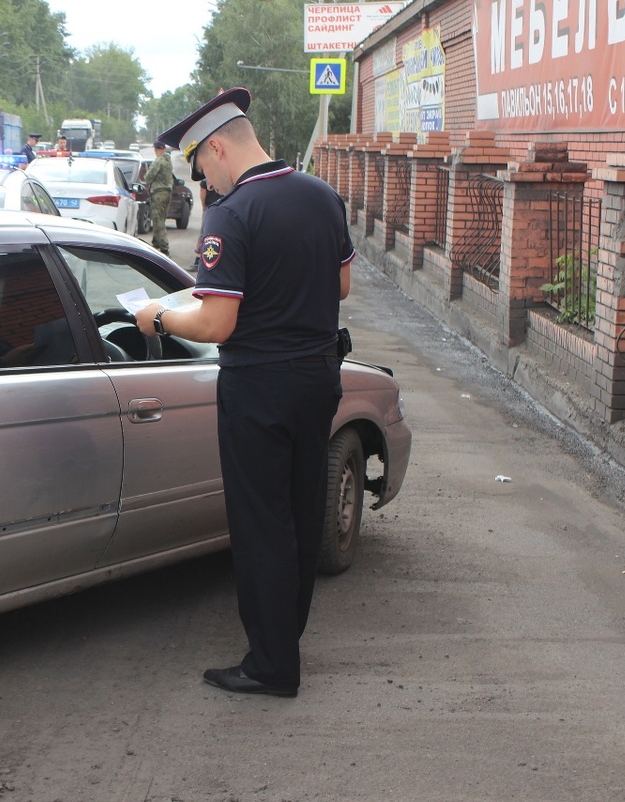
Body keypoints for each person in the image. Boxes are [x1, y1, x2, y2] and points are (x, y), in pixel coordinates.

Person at [135, 87, 354, 698]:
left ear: (220, 148)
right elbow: (341, 284)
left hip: (259, 388)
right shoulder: (320, 195)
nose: (203, 176)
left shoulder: (233, 214)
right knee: (301, 509)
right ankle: (288, 639)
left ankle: (271, 664)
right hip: (317, 381)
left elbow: (215, 324)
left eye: (201, 163)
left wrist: (157, 316)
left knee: (261, 522)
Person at [143, 140, 174, 255]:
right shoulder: (168, 161)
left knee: (157, 220)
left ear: (157, 149)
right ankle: (156, 243)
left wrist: (147, 178)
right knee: (161, 218)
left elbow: (149, 177)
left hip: (158, 193)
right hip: (167, 192)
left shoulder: (159, 160)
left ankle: (164, 247)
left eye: (155, 150)